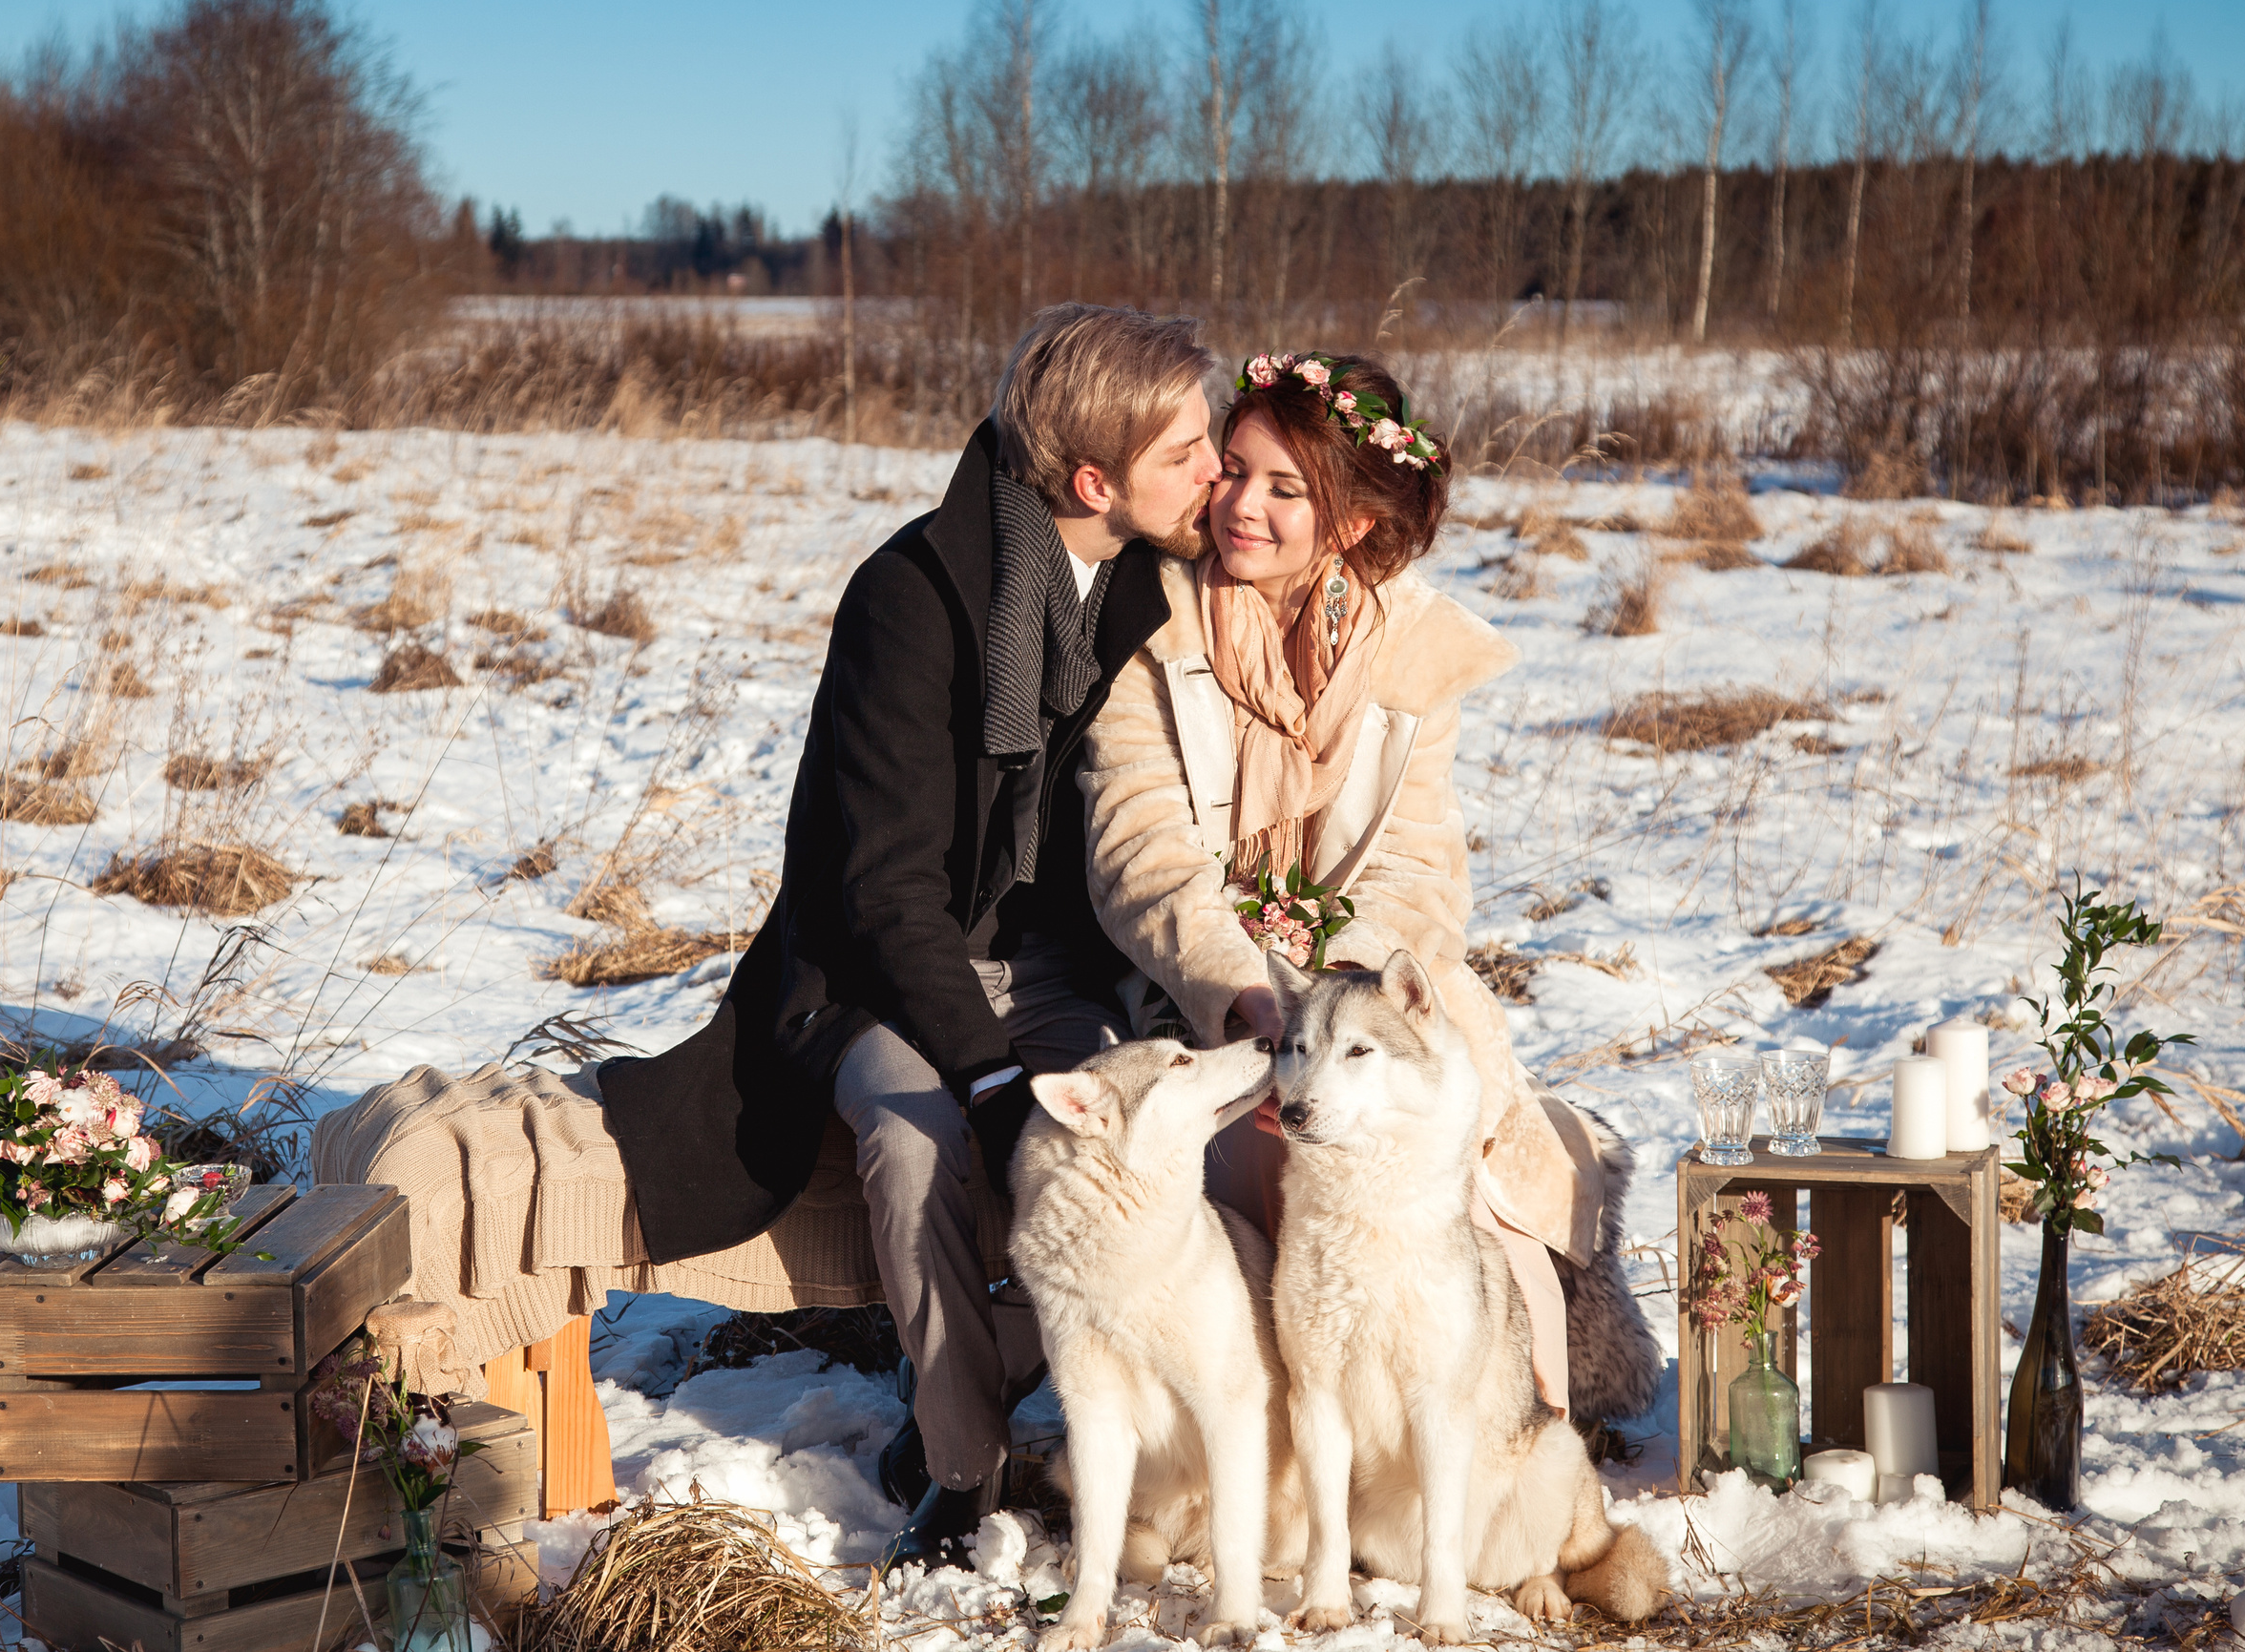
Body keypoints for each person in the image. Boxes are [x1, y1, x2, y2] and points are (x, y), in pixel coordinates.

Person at [596, 304, 1222, 1572]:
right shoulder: (913, 598)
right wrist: (987, 1072)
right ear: (1094, 482)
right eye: (1188, 452)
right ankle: (962, 1462)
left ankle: (1051, 1387)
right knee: (917, 1130)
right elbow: (880, 888)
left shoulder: (1153, 584)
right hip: (872, 969)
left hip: (1053, 961)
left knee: (1141, 1124)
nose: (1214, 472)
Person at [1078, 350, 1658, 1426]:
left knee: (1457, 1168)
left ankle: (1513, 1433)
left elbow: (1420, 861)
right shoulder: (1145, 627)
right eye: (1234, 471)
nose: (1239, 506)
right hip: (1199, 990)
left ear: (1348, 522)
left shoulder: (1410, 651)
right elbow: (1138, 850)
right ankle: (1301, 1445)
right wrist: (1249, 995)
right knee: (1274, 1161)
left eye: (1284, 489)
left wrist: (1343, 989)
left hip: (1367, 988)